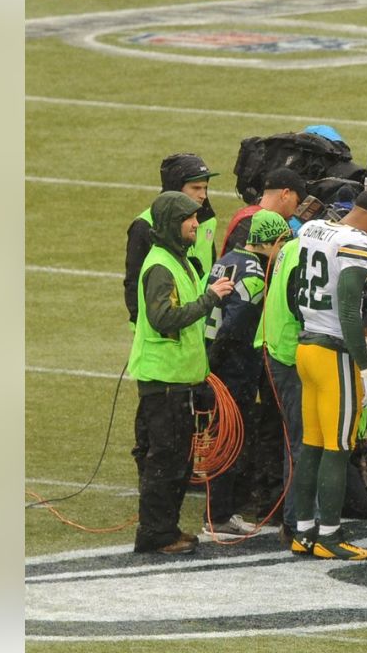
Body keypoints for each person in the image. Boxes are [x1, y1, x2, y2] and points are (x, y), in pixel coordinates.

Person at [288, 190, 367, 561]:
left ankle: (304, 531)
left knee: (314, 446)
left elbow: (292, 289)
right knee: (338, 446)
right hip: (333, 352)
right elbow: (349, 310)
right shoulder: (357, 242)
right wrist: (366, 368)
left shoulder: (313, 229)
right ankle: (329, 535)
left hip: (306, 345)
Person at [129, 191, 234, 554]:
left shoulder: (178, 260)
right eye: (190, 218)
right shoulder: (161, 266)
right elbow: (163, 320)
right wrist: (211, 299)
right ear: (174, 224)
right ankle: (155, 534)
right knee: (165, 462)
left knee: (177, 461)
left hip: (178, 380)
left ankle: (166, 529)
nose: (196, 224)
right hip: (164, 383)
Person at [201, 210, 293, 539]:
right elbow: (235, 327)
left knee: (218, 439)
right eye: (281, 243)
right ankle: (218, 515)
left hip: (213, 363)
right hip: (233, 369)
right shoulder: (255, 272)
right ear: (269, 241)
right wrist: (218, 364)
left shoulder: (226, 259)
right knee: (229, 442)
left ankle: (219, 512)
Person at [254, 228, 305, 547]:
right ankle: (295, 520)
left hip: (279, 349)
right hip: (289, 355)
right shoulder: (303, 253)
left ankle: (296, 517)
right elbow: (298, 303)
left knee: (298, 439)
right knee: (299, 440)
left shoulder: (291, 247)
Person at [124, 153, 219, 326]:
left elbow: (211, 266)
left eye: (205, 188)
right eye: (196, 188)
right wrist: (143, 325)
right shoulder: (145, 225)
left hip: (199, 320)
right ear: (175, 188)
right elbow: (134, 282)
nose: (203, 195)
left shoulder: (208, 221)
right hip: (161, 328)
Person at [220, 168, 308, 256]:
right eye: (298, 202)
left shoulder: (247, 215)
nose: (298, 208)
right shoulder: (258, 225)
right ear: (285, 194)